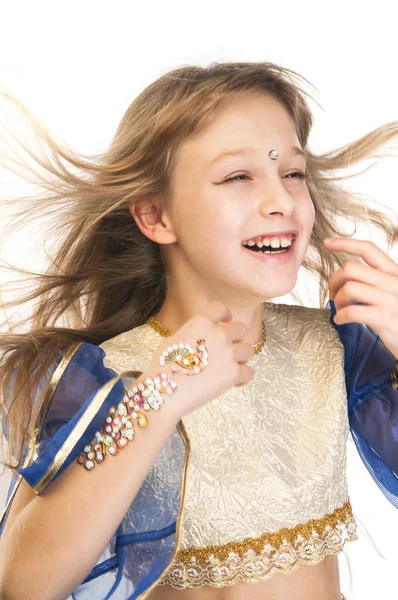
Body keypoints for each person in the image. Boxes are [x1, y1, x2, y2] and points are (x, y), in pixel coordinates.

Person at [0, 61, 397, 600]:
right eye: (238, 176)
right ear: (155, 216)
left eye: (293, 174)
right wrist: (161, 395)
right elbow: (22, 585)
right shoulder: (107, 376)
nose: (280, 200)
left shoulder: (334, 346)